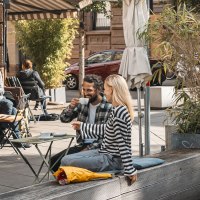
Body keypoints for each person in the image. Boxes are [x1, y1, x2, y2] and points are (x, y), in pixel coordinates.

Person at [61, 74, 137, 185]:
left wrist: (130, 169)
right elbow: (107, 129)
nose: (105, 93)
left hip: (112, 160)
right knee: (65, 159)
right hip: (104, 153)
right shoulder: (118, 109)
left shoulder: (119, 111)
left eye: (106, 89)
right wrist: (83, 126)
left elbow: (123, 144)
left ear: (112, 90)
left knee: (66, 161)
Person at [51, 74, 112, 172]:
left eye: (89, 90)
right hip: (82, 144)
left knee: (68, 163)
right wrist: (70, 106)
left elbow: (107, 137)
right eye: (84, 90)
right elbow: (64, 119)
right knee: (53, 162)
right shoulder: (83, 104)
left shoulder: (108, 107)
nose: (85, 93)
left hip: (99, 147)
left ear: (98, 90)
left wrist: (86, 150)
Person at [0, 71, 30, 148]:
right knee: (8, 104)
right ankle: (4, 127)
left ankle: (4, 131)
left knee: (14, 110)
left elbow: (1, 88)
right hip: (2, 99)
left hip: (1, 97)